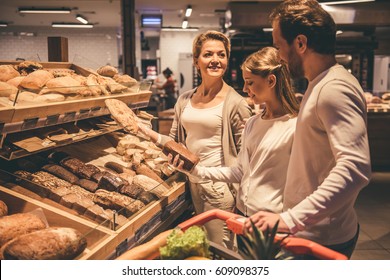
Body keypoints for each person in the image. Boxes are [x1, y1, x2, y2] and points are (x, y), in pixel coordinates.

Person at [247, 0, 371, 259]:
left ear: (300, 44)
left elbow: (355, 168)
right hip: (311, 231)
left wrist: (291, 219)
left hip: (321, 238)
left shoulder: (333, 89)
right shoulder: (320, 84)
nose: (279, 56)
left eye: (280, 46)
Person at [138, 30, 252, 249]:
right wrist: (147, 133)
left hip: (220, 190)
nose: (215, 60)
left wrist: (241, 200)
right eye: (208, 54)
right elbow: (173, 140)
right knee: (200, 252)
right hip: (189, 187)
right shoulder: (184, 100)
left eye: (221, 55)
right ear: (196, 60)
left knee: (220, 253)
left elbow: (246, 158)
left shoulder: (235, 103)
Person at [171, 46, 299, 219]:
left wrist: (288, 219)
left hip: (273, 221)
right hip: (242, 214)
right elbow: (239, 172)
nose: (245, 89)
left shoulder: (295, 126)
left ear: (271, 81)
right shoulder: (254, 123)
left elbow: (305, 184)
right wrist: (197, 170)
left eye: (250, 82)